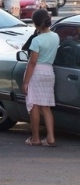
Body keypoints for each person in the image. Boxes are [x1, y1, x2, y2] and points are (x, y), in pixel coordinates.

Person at [22, 9, 59, 147]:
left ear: (35, 24)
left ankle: (35, 138)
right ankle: (51, 138)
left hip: (36, 73)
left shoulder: (36, 41)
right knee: (46, 107)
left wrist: (26, 82)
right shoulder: (56, 36)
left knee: (34, 106)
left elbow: (32, 63)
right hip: (49, 72)